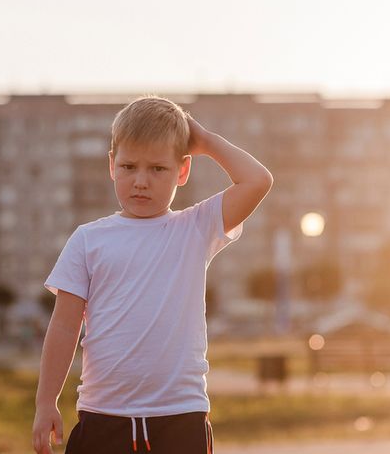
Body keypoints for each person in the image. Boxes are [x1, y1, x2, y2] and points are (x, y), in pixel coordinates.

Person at [32, 96, 273, 454]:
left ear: (182, 170)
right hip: (104, 416)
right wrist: (45, 401)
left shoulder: (196, 227)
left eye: (158, 169)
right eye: (129, 166)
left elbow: (257, 180)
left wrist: (205, 140)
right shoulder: (88, 239)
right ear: (111, 165)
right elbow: (65, 327)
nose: (140, 181)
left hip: (179, 415)